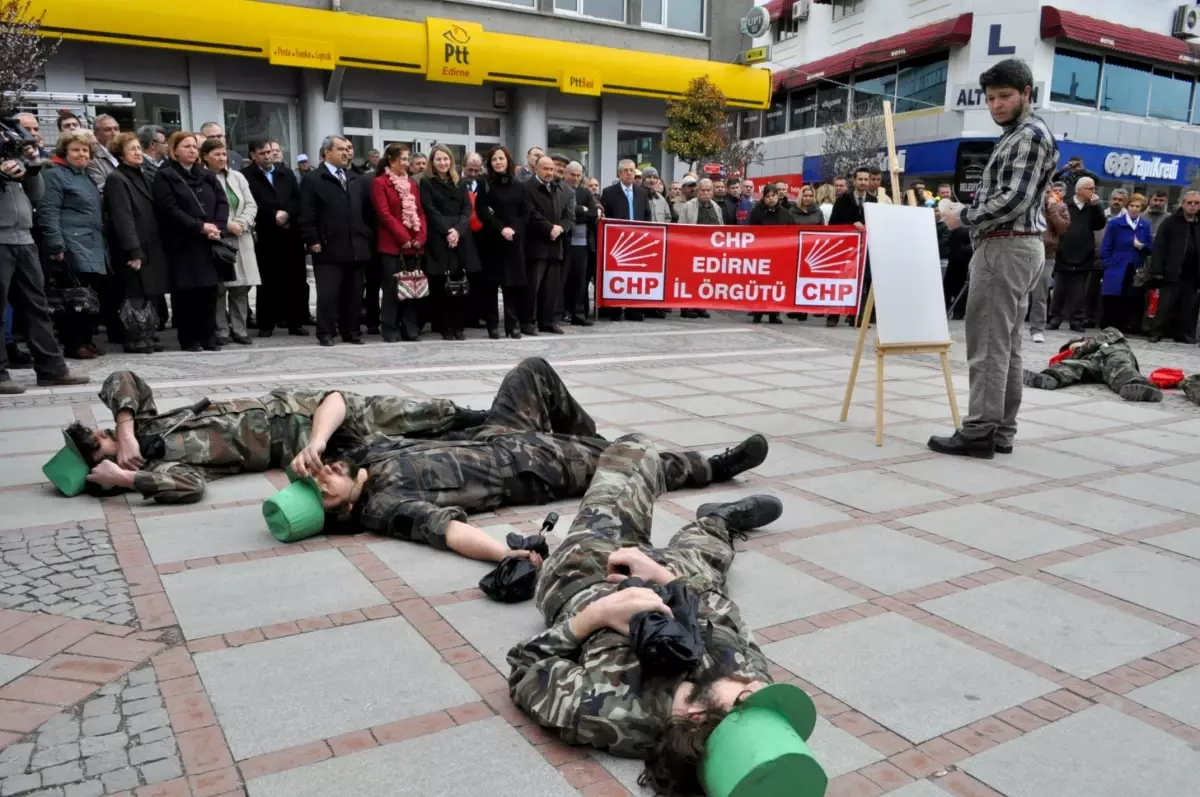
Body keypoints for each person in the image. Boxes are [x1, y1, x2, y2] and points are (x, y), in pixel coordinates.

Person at [508, 432, 779, 790]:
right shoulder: (750, 684)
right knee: (707, 556)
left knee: (633, 450)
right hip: (680, 587)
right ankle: (717, 522)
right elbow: (730, 620)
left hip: (588, 572)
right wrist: (670, 582)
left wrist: (598, 615)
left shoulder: (601, 709)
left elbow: (524, 667)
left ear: (696, 717)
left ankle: (706, 474)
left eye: (746, 700)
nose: (758, 687)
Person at [304, 358, 768, 548]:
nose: (323, 475)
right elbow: (443, 530)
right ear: (344, 510)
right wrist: (505, 557)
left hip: (497, 432)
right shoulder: (383, 507)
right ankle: (711, 466)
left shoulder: (360, 454)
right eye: (322, 489)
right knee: (627, 457)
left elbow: (337, 399)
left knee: (533, 371)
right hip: (528, 467)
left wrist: (314, 445)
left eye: (318, 475)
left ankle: (590, 440)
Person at [66, 370, 482, 502]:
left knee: (418, 412)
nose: (110, 442)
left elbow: (123, 378)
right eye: (103, 448)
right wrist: (127, 478)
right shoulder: (162, 467)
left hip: (299, 410)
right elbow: (191, 486)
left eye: (104, 441)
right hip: (301, 452)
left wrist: (125, 430)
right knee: (418, 446)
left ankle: (481, 416)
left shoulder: (147, 423)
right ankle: (490, 435)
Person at [929, 58, 1057, 459]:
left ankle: (982, 429)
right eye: (990, 98)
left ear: (1026, 94)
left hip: (1006, 246)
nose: (997, 105)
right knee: (1007, 344)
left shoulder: (1028, 135)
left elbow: (1013, 200)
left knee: (988, 341)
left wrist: (960, 215)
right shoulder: (1021, 133)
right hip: (1015, 246)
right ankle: (1000, 430)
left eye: (1005, 96)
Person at [0, 136, 88, 393]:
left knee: (37, 308)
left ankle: (52, 369)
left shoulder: (13, 159)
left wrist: (33, 165)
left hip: (24, 240)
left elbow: (37, 194)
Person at [40, 130, 114, 358]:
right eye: (76, 150)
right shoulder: (55, 175)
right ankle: (73, 343)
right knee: (74, 296)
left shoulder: (86, 177)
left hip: (93, 244)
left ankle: (85, 339)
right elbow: (48, 210)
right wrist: (56, 245)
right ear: (65, 151)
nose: (81, 154)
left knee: (89, 294)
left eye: (85, 150)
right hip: (71, 243)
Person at [153, 131, 228, 352]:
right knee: (187, 293)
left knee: (209, 291)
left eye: (195, 147)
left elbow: (222, 202)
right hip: (183, 243)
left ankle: (208, 336)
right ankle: (190, 339)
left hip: (209, 241)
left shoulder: (207, 175)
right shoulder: (165, 175)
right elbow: (169, 209)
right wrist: (199, 227)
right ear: (174, 149)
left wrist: (217, 226)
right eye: (187, 146)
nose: (192, 151)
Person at [300, 135, 372, 347]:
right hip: (328, 245)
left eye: (348, 149)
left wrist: (366, 234)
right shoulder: (314, 179)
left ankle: (351, 330)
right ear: (326, 153)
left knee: (354, 292)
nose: (346, 153)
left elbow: (366, 212)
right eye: (340, 149)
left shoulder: (354, 178)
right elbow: (307, 214)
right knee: (328, 294)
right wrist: (312, 239)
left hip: (356, 245)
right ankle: (326, 332)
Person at [103, 132, 168, 353]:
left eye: (139, 148)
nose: (138, 153)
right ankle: (135, 338)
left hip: (150, 244)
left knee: (148, 292)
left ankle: (146, 334)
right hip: (134, 247)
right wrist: (133, 251)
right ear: (120, 155)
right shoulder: (117, 179)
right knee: (135, 294)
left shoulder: (141, 175)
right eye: (132, 149)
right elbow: (123, 218)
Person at [242, 140, 307, 339]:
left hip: (290, 233)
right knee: (268, 281)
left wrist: (287, 213)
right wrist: (273, 216)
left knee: (295, 279)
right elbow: (251, 203)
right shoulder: (246, 176)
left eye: (270, 152)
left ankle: (295, 322)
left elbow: (297, 198)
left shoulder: (285, 173)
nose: (268, 156)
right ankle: (266, 323)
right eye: (262, 153)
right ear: (253, 155)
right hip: (266, 234)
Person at [201, 138, 259, 347]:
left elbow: (251, 204)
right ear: (205, 156)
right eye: (216, 154)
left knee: (241, 287)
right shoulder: (202, 179)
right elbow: (206, 208)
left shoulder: (238, 177)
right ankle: (221, 330)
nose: (222, 158)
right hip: (218, 237)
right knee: (220, 288)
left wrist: (241, 222)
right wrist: (227, 225)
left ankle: (240, 329)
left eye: (224, 154)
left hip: (241, 237)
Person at [421, 144, 479, 341]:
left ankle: (458, 325)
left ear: (451, 161)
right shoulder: (427, 182)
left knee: (460, 284)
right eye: (438, 159)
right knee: (441, 285)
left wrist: (457, 231)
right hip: (439, 238)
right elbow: (430, 210)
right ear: (432, 162)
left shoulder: (460, 182)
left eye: (445, 159)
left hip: (460, 238)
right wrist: (448, 232)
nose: (442, 163)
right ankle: (444, 325)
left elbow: (466, 210)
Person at [371, 143, 427, 343]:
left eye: (407, 159)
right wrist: (403, 237)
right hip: (392, 245)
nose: (406, 163)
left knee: (411, 288)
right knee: (392, 288)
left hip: (413, 246)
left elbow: (419, 211)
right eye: (403, 159)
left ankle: (410, 328)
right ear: (391, 160)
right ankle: (390, 327)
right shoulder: (380, 182)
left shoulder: (411, 183)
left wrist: (420, 238)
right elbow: (385, 215)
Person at [1024, 328, 1160, 402]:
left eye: (1073, 345)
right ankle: (1050, 378)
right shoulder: (1081, 356)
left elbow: (1113, 335)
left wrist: (1080, 347)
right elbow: (1073, 362)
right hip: (1092, 363)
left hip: (1111, 353)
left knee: (1120, 367)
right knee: (1071, 366)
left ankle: (1141, 388)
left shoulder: (1108, 334)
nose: (1072, 350)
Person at [1047, 177, 1106, 333]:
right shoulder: (1066, 205)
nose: (1093, 192)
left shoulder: (1092, 207)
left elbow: (1099, 224)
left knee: (1079, 291)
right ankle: (1055, 317)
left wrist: (1097, 207)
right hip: (1064, 251)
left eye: (1093, 188)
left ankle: (1076, 320)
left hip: (1084, 253)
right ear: (1080, 190)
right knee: (1059, 288)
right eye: (1090, 188)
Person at [481, 145, 528, 339]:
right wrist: (501, 228)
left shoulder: (519, 185)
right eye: (494, 159)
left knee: (511, 285)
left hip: (513, 240)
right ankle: (492, 324)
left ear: (508, 160)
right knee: (491, 285)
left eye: (501, 158)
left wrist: (513, 229)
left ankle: (512, 323)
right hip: (492, 239)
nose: (498, 162)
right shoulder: (485, 184)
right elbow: (483, 211)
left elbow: (525, 212)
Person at [523, 155, 572, 335]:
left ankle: (547, 321)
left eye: (552, 169)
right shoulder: (527, 187)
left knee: (551, 288)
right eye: (546, 169)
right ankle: (528, 322)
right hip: (536, 245)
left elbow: (568, 214)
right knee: (532, 287)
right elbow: (531, 213)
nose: (550, 172)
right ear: (536, 169)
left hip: (555, 244)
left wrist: (560, 228)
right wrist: (548, 228)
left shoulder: (558, 188)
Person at [1147, 190, 1200, 344]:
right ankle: (1156, 331)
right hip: (1172, 271)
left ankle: (1183, 333)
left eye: (1196, 203)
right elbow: (1159, 247)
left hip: (1193, 273)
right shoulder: (1170, 222)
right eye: (1189, 202)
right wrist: (1156, 270)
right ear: (1183, 204)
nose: (1192, 206)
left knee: (1189, 306)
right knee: (1165, 305)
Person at [828, 166, 875, 328]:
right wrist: (851, 225)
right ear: (854, 181)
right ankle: (833, 315)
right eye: (860, 179)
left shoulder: (873, 201)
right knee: (840, 281)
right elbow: (833, 224)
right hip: (845, 248)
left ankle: (856, 316)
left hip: (865, 249)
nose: (863, 182)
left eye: (866, 179)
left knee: (863, 282)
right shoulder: (843, 201)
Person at [1099, 192, 1151, 333]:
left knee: (1130, 297)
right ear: (1127, 207)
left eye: (1137, 206)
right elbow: (1106, 245)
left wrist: (1141, 246)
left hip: (1134, 266)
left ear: (1142, 209)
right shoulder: (1116, 223)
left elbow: (1150, 247)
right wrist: (1107, 263)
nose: (1134, 209)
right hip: (1116, 264)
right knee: (1112, 296)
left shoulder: (1144, 225)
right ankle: (1108, 325)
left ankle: (1123, 326)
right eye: (1132, 205)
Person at [747, 184, 790, 325]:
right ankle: (757, 313)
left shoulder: (785, 213)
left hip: (779, 255)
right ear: (763, 198)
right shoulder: (757, 212)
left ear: (778, 196)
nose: (771, 199)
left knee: (775, 285)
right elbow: (750, 233)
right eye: (768, 196)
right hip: (762, 254)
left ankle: (774, 313)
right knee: (761, 284)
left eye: (773, 196)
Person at [1031, 187, 1070, 343]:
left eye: (1049, 192)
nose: (1046, 195)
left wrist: (1052, 210)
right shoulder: (1030, 205)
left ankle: (1037, 329)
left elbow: (1063, 228)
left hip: (1047, 253)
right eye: (1043, 191)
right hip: (1025, 249)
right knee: (1018, 292)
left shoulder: (1060, 207)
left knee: (1040, 293)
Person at [460, 152, 492, 335]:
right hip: (460, 233)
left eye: (477, 170)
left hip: (479, 234)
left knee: (477, 277)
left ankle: (474, 315)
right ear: (463, 166)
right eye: (470, 169)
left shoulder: (482, 183)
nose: (473, 173)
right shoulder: (457, 181)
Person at [564, 160, 598, 327]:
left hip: (582, 243)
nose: (575, 178)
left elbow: (593, 214)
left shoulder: (585, 192)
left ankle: (578, 313)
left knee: (580, 281)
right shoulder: (560, 189)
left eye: (578, 175)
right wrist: (580, 210)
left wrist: (582, 212)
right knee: (562, 280)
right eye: (572, 175)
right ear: (565, 174)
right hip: (563, 242)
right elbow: (564, 213)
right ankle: (560, 312)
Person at [86, 114, 121, 194]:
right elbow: (103, 189)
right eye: (108, 130)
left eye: (116, 129)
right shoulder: (91, 158)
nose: (114, 133)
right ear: (96, 135)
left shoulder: (126, 152)